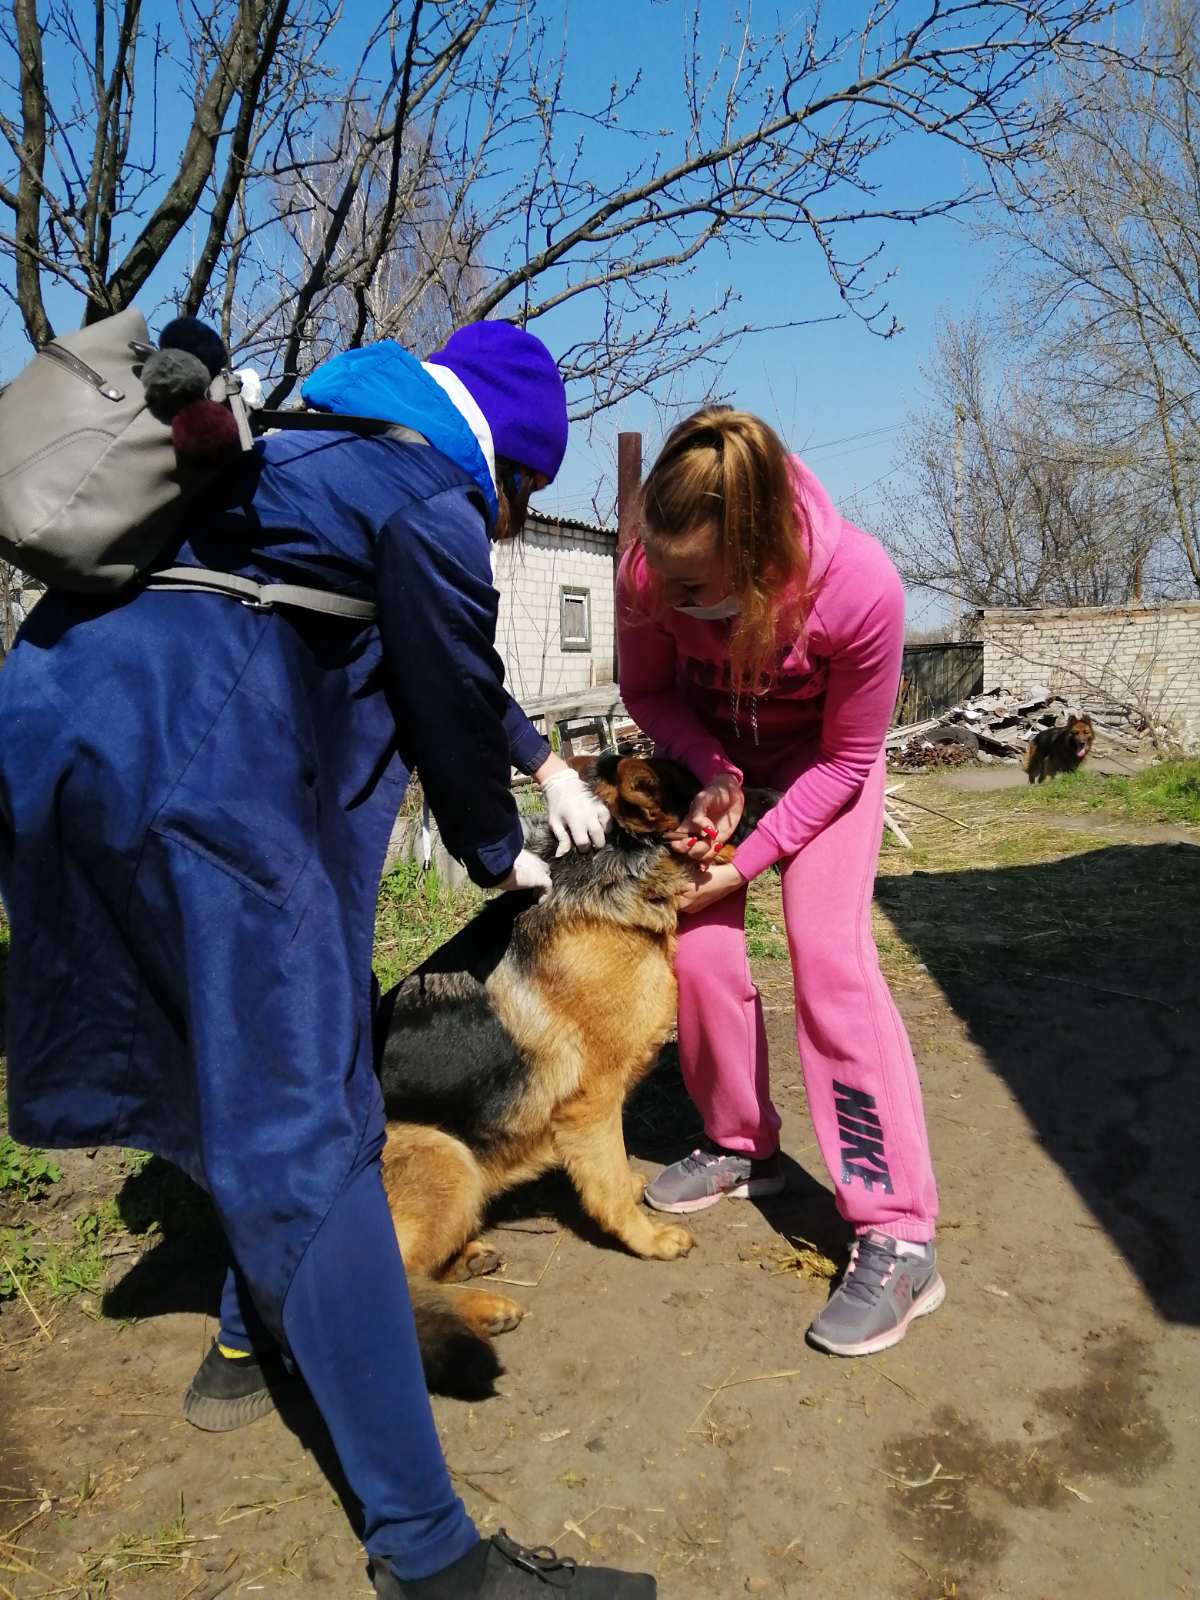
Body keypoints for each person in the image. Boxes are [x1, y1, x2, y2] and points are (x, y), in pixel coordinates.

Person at [0, 321, 655, 1598]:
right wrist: (499, 847)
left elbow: (419, 642)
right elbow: (449, 676)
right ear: (508, 464)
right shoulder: (434, 496)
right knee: (317, 1115)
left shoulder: (318, 442)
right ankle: (433, 1557)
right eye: (522, 498)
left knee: (226, 1063)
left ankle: (247, 1343)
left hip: (60, 734)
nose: (511, 524)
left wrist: (542, 758)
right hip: (195, 789)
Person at [617, 407, 943, 1359]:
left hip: (822, 766)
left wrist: (753, 858)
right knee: (702, 947)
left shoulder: (862, 588)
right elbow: (649, 692)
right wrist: (712, 768)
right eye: (660, 573)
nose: (664, 595)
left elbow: (847, 763)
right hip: (719, 759)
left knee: (828, 956)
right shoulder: (650, 568)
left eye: (693, 584)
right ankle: (737, 1141)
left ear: (758, 556)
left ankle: (899, 1231)